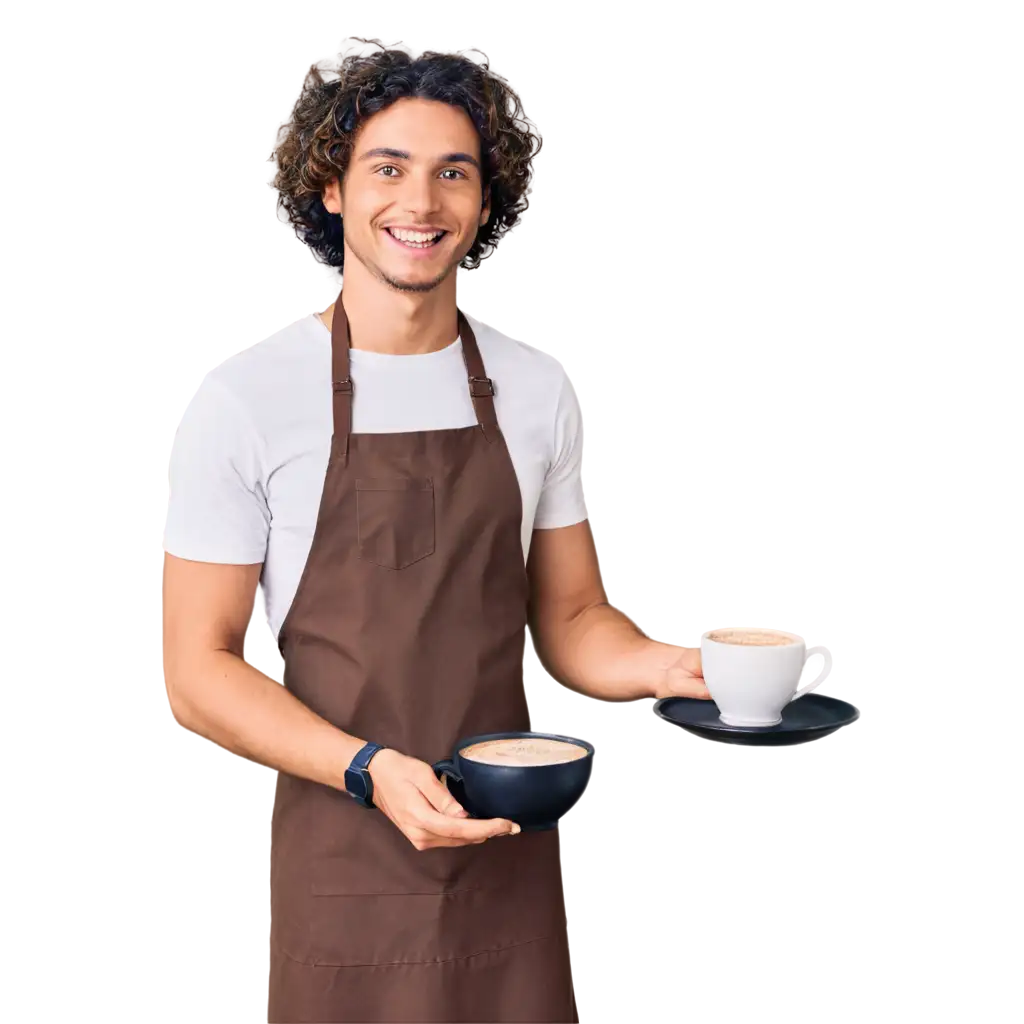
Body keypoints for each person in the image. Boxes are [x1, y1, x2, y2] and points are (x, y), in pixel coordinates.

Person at [158, 41, 709, 1023]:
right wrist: (368, 769)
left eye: (454, 172)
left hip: (510, 858)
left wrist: (666, 667)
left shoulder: (536, 388)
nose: (422, 201)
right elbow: (195, 671)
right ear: (329, 189)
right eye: (388, 167)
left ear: (485, 203)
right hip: (345, 870)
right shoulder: (243, 399)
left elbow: (574, 614)